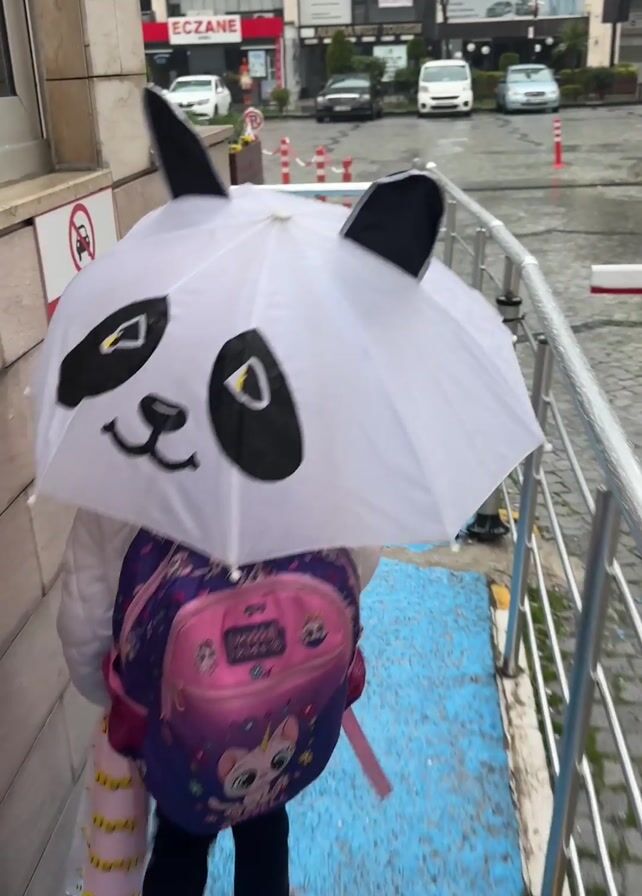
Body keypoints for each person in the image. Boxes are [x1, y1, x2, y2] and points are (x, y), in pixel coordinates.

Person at [57, 508, 381, 896]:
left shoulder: (123, 481)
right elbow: (359, 561)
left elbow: (87, 617)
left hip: (180, 729)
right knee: (265, 822)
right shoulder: (317, 477)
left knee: (180, 839)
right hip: (279, 698)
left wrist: (116, 696)